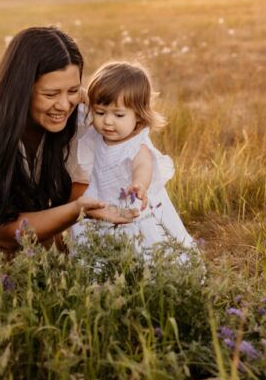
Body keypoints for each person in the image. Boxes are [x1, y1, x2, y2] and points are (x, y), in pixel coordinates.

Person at [0, 27, 137, 264]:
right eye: (50, 94)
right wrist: (72, 212)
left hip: (11, 206)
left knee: (59, 246)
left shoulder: (79, 113)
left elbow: (82, 185)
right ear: (21, 90)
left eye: (72, 90)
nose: (64, 105)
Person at [71, 61, 196, 254]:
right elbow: (87, 103)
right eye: (100, 113)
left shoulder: (137, 145)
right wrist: (81, 94)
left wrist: (140, 185)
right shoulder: (98, 132)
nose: (107, 121)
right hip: (101, 207)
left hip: (130, 207)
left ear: (138, 115)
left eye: (119, 115)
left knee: (142, 248)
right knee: (99, 248)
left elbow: (142, 166)